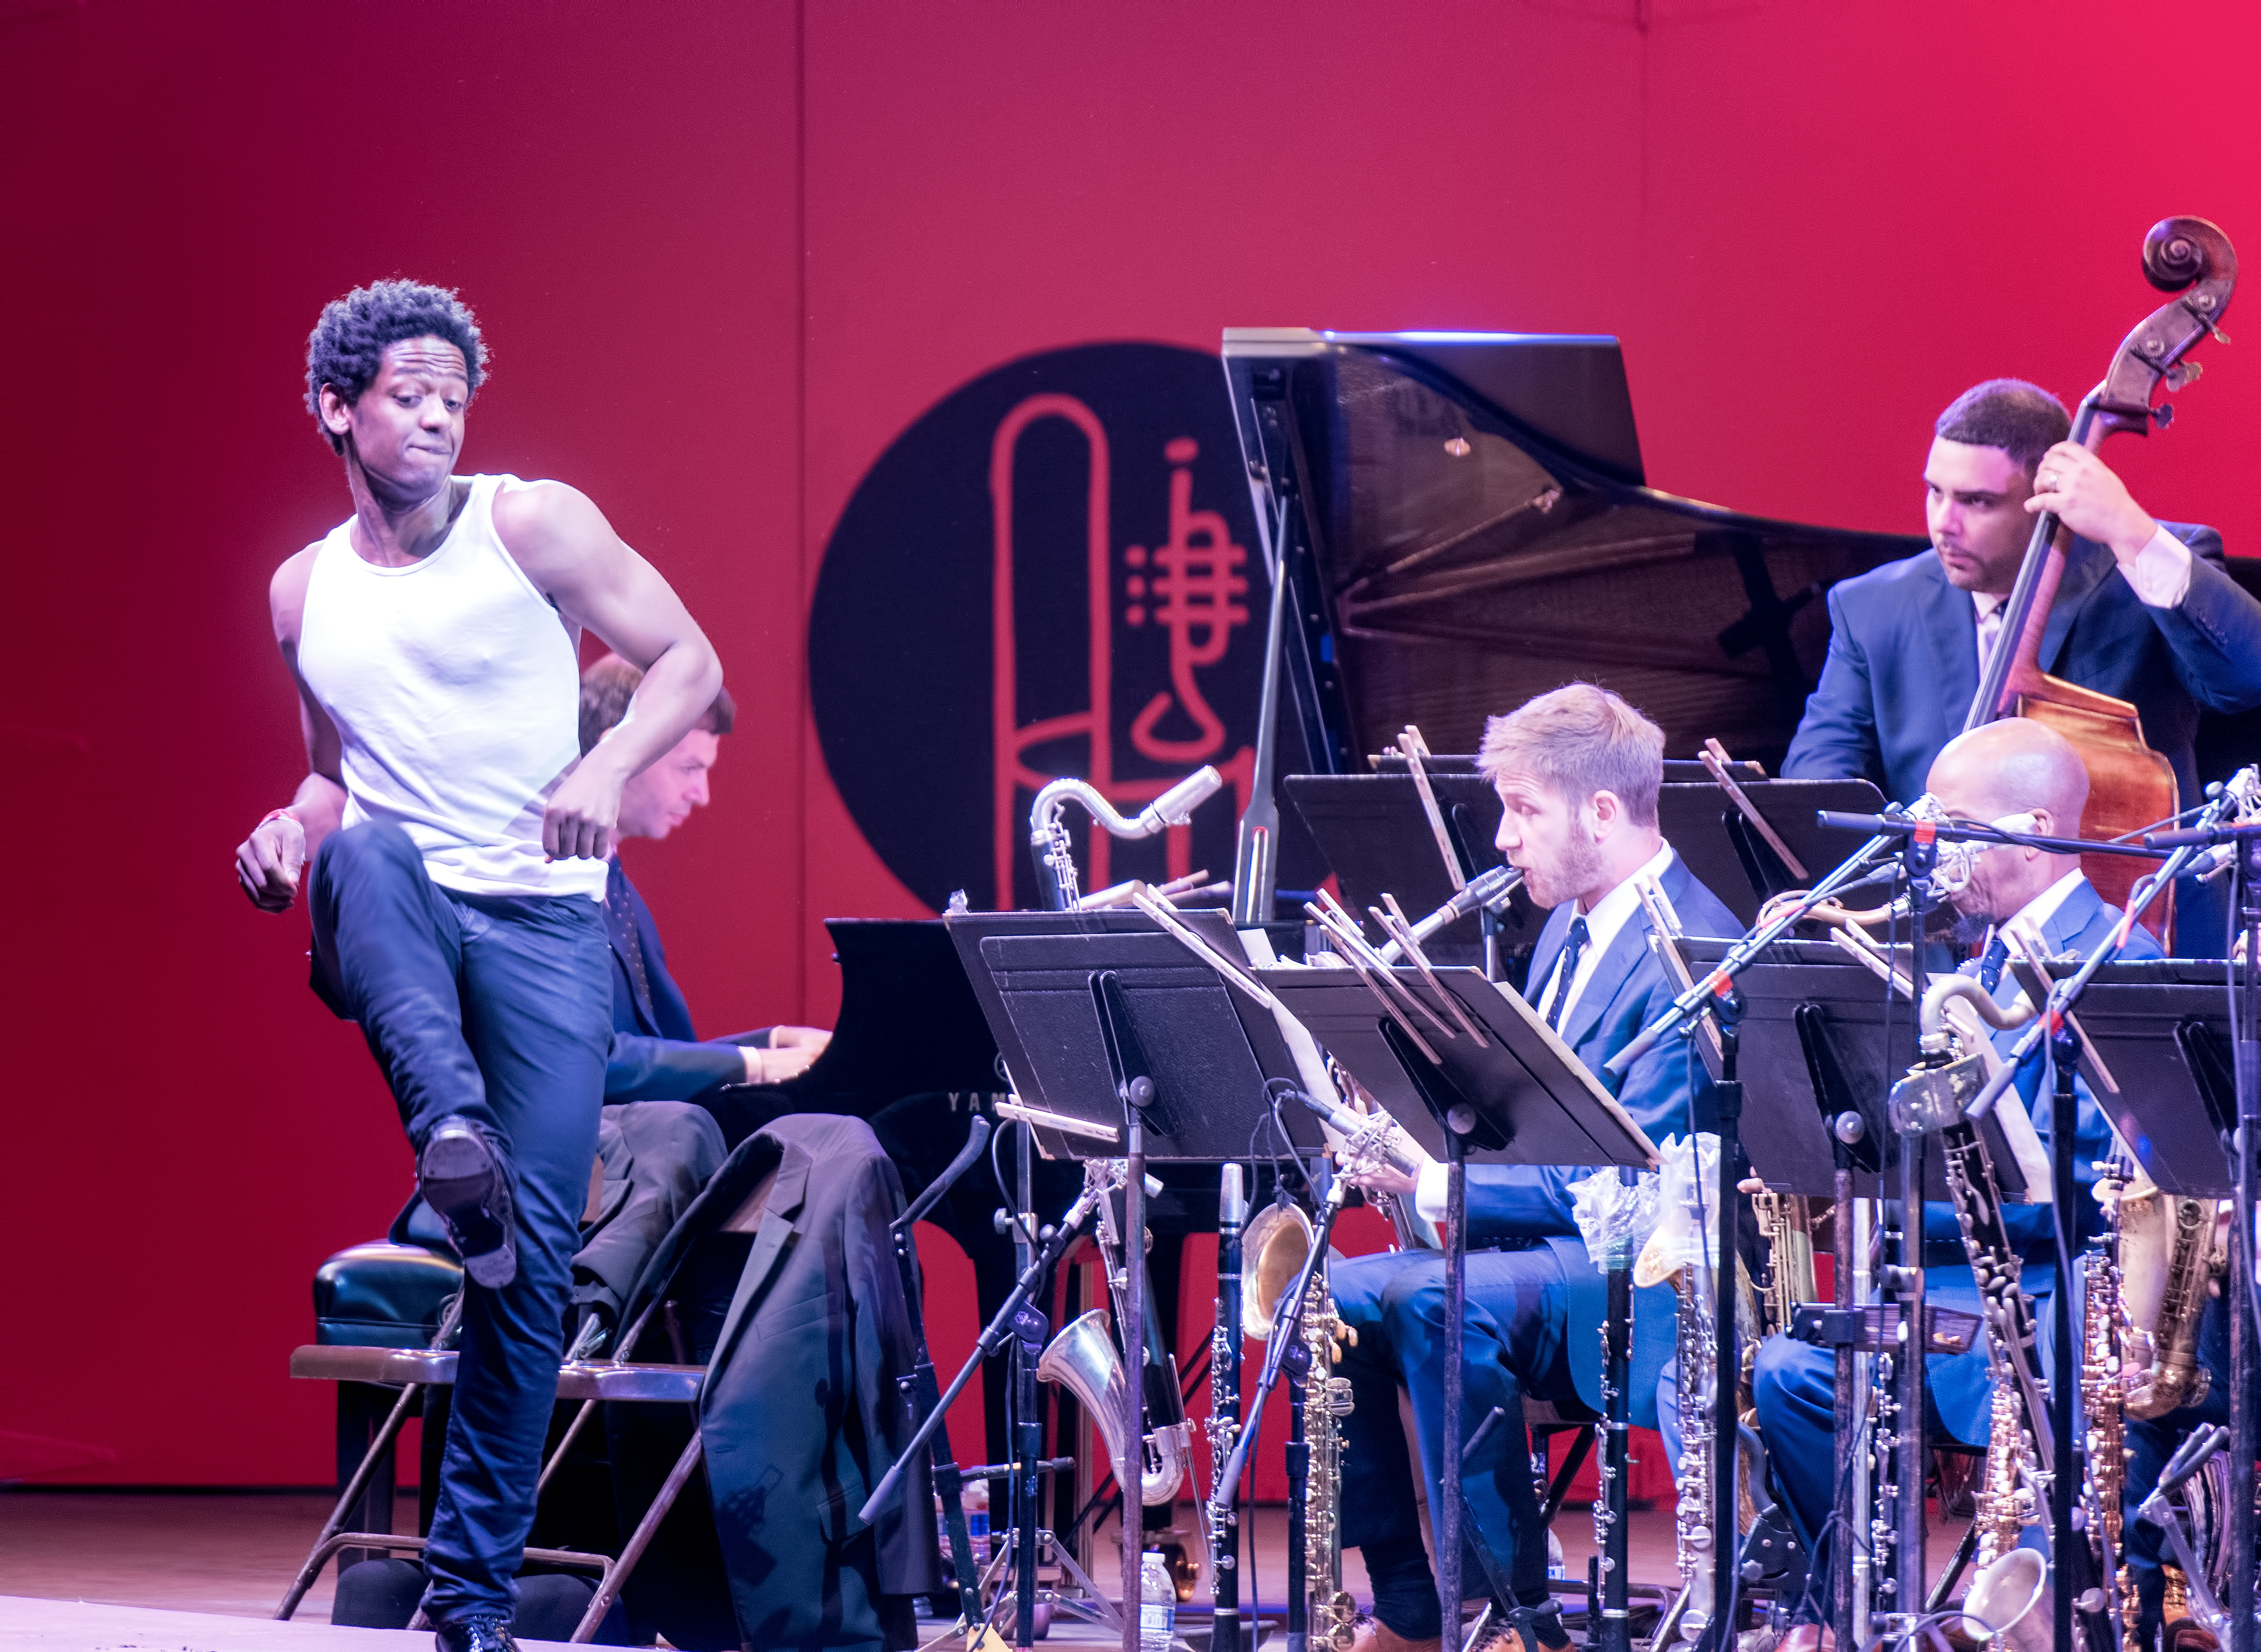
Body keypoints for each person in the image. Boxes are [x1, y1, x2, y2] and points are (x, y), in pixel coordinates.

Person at [234, 280, 723, 1652]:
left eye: (456, 391)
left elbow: (688, 658)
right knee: (367, 855)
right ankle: (450, 1125)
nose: (440, 412)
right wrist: (285, 829)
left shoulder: (532, 522)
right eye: (408, 391)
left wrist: (607, 761)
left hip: (541, 927)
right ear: (338, 409)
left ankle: (466, 1609)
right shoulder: (303, 594)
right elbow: (334, 786)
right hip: (398, 915)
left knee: (525, 1263)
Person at [1326, 683, 1741, 1652]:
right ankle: (1410, 1604)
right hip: (1544, 1252)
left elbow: (1620, 1172)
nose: (1504, 840)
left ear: (1601, 812)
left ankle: (1516, 1612)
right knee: (1335, 1294)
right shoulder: (1567, 924)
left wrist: (1427, 1175)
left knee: (1440, 1302)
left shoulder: (1695, 945)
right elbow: (1523, 1118)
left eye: (1524, 810)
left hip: (1637, 1274)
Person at [1750, 716, 2163, 1652]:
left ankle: (2027, 1621)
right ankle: (1848, 1616)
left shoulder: (2117, 964)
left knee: (2059, 1373)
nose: (1929, 850)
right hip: (1951, 1288)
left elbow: (2101, 1187)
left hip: (2057, 1300)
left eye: (1950, 824)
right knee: (1792, 1373)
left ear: (2026, 827)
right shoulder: (1959, 962)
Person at [1783, 377, 2261, 852]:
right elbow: (1818, 775)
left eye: (1976, 501)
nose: (1943, 524)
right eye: (1935, 492)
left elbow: (2246, 678)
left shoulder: (2136, 570)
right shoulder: (1873, 606)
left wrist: (2130, 530)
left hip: (2131, 912)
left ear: (2043, 498)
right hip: (1939, 915)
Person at [575, 652, 830, 1107]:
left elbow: (653, 1058)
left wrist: (775, 1041)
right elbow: (587, 1062)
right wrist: (759, 1063)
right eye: (690, 768)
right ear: (619, 750)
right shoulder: (548, 886)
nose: (702, 795)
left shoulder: (615, 887)